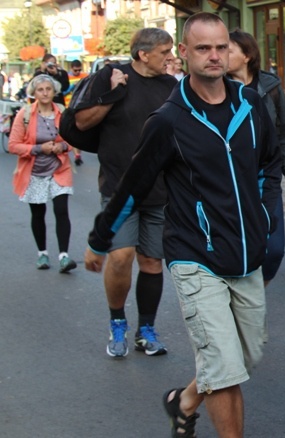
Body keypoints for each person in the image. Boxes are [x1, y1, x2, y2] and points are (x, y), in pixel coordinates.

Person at [83, 12, 280, 438]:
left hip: (245, 253)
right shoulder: (169, 120)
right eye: (203, 48)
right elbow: (132, 185)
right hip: (195, 254)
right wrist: (101, 240)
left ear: (231, 51)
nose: (214, 56)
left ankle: (184, 401)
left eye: (221, 47)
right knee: (225, 370)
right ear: (185, 55)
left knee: (245, 357)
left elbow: (269, 164)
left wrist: (266, 220)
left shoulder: (251, 104)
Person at [75, 28, 177, 358]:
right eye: (165, 52)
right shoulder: (111, 77)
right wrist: (112, 94)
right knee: (120, 257)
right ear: (143, 54)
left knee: (151, 261)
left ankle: (145, 329)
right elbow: (82, 122)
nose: (170, 58)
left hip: (160, 190)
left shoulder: (171, 86)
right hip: (120, 188)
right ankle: (117, 321)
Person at [227, 28, 285, 288]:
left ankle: (257, 293)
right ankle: (245, 306)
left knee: (274, 249)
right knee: (236, 247)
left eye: (228, 49)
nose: (220, 55)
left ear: (246, 55)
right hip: (230, 181)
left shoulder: (270, 87)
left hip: (265, 179)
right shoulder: (215, 88)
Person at [8, 75, 77, 273]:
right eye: (40, 89)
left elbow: (72, 139)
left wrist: (62, 146)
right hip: (34, 171)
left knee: (61, 210)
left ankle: (64, 256)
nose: (45, 93)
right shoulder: (25, 114)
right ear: (34, 93)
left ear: (54, 92)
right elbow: (13, 145)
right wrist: (39, 149)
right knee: (38, 213)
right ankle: (42, 254)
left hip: (59, 169)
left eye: (48, 89)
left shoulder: (63, 113)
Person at [65, 60, 89, 166]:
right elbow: (62, 91)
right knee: (72, 131)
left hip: (81, 107)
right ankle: (76, 154)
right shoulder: (67, 77)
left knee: (79, 131)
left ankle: (78, 154)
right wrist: (70, 88)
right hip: (68, 107)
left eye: (79, 70)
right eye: (75, 70)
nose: (77, 72)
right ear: (71, 68)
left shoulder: (85, 76)